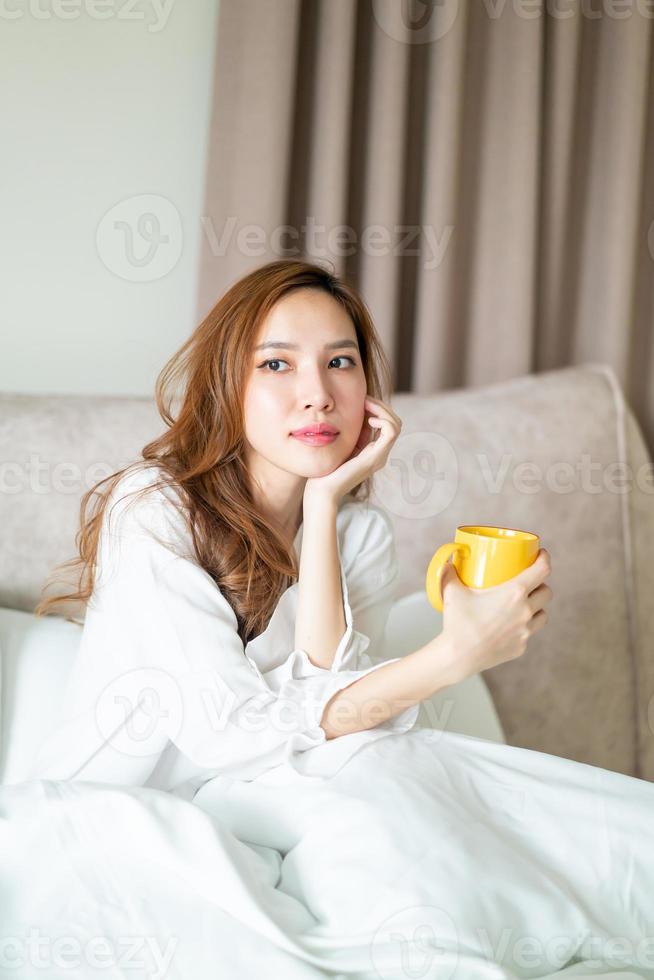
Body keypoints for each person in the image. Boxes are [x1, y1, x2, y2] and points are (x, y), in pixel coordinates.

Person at [27, 258, 654, 979]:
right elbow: (231, 732)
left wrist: (324, 509)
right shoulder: (155, 510)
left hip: (282, 805)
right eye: (277, 365)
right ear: (228, 384)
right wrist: (450, 659)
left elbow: (331, 718)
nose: (317, 395)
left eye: (340, 363)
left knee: (399, 771)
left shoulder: (360, 531)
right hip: (136, 817)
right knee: (391, 767)